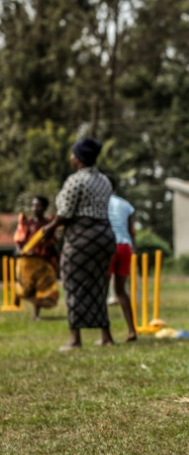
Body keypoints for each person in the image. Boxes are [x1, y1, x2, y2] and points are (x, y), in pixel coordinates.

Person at [42, 137, 117, 351]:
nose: (70, 158)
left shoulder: (76, 180)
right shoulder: (104, 180)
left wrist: (49, 228)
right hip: (105, 235)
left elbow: (65, 213)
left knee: (73, 282)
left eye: (73, 154)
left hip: (83, 237)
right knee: (99, 284)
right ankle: (106, 335)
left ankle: (75, 339)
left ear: (80, 159)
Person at [13, 196, 60, 320]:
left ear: (44, 208)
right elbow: (19, 239)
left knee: (42, 288)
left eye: (38, 206)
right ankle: (18, 294)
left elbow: (52, 242)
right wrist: (18, 249)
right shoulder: (27, 223)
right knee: (27, 288)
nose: (35, 208)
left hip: (42, 260)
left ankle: (36, 314)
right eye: (33, 205)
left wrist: (56, 258)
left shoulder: (48, 225)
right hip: (27, 261)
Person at [107, 178, 139, 340]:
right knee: (121, 291)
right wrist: (134, 250)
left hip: (109, 246)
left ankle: (106, 336)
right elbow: (131, 230)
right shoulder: (125, 204)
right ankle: (132, 330)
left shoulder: (100, 204)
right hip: (125, 247)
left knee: (102, 290)